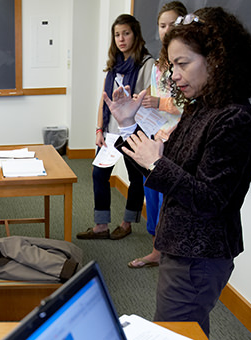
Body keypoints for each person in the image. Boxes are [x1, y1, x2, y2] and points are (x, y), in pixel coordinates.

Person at [103, 7, 251, 336]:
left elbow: (209, 199)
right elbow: (163, 169)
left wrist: (157, 164)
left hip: (198, 254)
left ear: (216, 59)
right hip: (182, 246)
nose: (173, 75)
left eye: (182, 64)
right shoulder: (202, 106)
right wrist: (127, 125)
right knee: (180, 331)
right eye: (172, 64)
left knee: (175, 333)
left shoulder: (234, 118)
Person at [77, 14, 154, 240]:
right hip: (110, 132)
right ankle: (101, 226)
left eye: (126, 33)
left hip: (134, 131)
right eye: (117, 34)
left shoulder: (147, 64)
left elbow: (149, 100)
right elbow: (104, 100)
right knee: (99, 174)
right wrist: (99, 130)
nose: (121, 39)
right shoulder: (114, 65)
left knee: (135, 178)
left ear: (135, 35)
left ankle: (127, 222)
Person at [128, 1, 187, 269]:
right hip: (156, 136)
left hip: (178, 139)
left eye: (172, 25)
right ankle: (155, 249)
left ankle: (167, 252)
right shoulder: (159, 64)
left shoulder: (190, 61)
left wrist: (159, 103)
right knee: (151, 195)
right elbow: (155, 97)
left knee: (168, 200)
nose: (166, 30)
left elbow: (191, 105)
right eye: (162, 26)